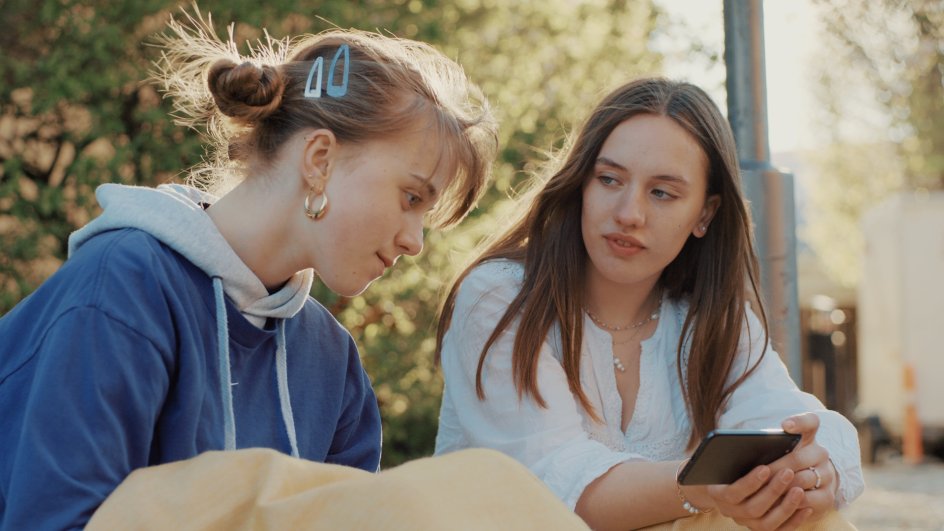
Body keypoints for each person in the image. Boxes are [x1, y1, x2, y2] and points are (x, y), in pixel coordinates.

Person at [0, 9, 498, 530]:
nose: (415, 242)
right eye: (411, 196)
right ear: (320, 159)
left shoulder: (333, 365)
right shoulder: (123, 288)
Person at [434, 78, 864, 530]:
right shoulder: (500, 297)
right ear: (582, 183)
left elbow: (788, 414)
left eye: (662, 192)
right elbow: (551, 486)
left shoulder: (709, 318)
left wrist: (814, 470)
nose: (628, 213)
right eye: (609, 179)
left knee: (810, 520)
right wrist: (699, 486)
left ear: (705, 213)